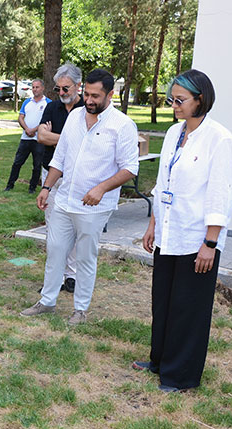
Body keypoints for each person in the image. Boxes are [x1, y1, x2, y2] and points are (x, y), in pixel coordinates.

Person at [135, 70, 232, 392]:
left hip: (197, 240)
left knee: (188, 308)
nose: (174, 105)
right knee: (163, 301)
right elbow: (162, 183)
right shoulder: (173, 133)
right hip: (169, 232)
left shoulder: (220, 140)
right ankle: (160, 360)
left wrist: (210, 242)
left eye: (180, 100)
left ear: (201, 100)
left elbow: (220, 195)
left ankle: (180, 376)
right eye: (172, 99)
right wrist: (153, 224)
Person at [21, 68, 139, 325]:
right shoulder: (75, 116)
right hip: (64, 199)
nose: (89, 100)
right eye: (87, 94)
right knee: (55, 251)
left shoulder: (122, 125)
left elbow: (130, 168)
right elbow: (60, 157)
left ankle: (80, 310)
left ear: (110, 94)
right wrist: (46, 188)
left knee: (85, 257)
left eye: (96, 96)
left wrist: (101, 189)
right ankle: (47, 301)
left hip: (94, 206)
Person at [36, 63, 85, 293]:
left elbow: (87, 142)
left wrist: (53, 136)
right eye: (58, 89)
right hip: (51, 174)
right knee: (53, 227)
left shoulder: (87, 109)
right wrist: (68, 139)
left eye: (66, 88)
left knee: (74, 227)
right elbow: (41, 137)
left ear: (78, 86)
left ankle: (71, 275)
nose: (62, 93)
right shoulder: (52, 107)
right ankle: (53, 278)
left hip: (77, 176)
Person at [5, 78, 48, 193]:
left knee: (37, 165)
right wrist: (27, 129)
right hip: (25, 138)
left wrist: (34, 130)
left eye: (37, 87)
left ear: (42, 88)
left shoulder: (48, 103)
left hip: (39, 139)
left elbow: (46, 121)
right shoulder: (27, 102)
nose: (35, 89)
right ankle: (10, 185)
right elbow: (20, 117)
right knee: (17, 163)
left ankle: (32, 188)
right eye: (33, 87)